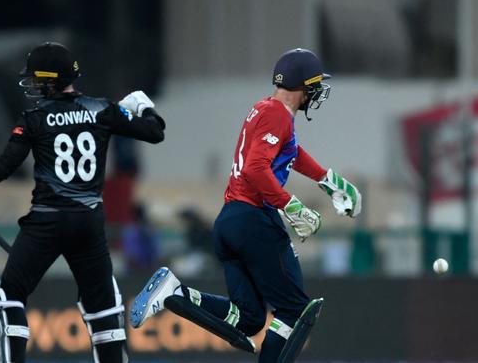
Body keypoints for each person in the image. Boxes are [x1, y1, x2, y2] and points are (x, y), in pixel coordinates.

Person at [0, 42, 166, 363]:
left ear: (52, 79)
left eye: (37, 78)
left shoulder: (34, 118)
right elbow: (155, 131)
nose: (33, 84)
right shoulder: (102, 109)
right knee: (104, 308)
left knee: (8, 297)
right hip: (89, 223)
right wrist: (142, 106)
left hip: (47, 223)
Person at [129, 48, 361, 363]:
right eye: (315, 84)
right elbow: (255, 169)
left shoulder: (265, 110)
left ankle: (176, 293)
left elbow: (290, 151)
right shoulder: (278, 115)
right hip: (254, 221)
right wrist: (291, 205)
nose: (318, 91)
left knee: (249, 318)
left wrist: (326, 179)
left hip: (230, 223)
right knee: (294, 310)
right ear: (303, 85)